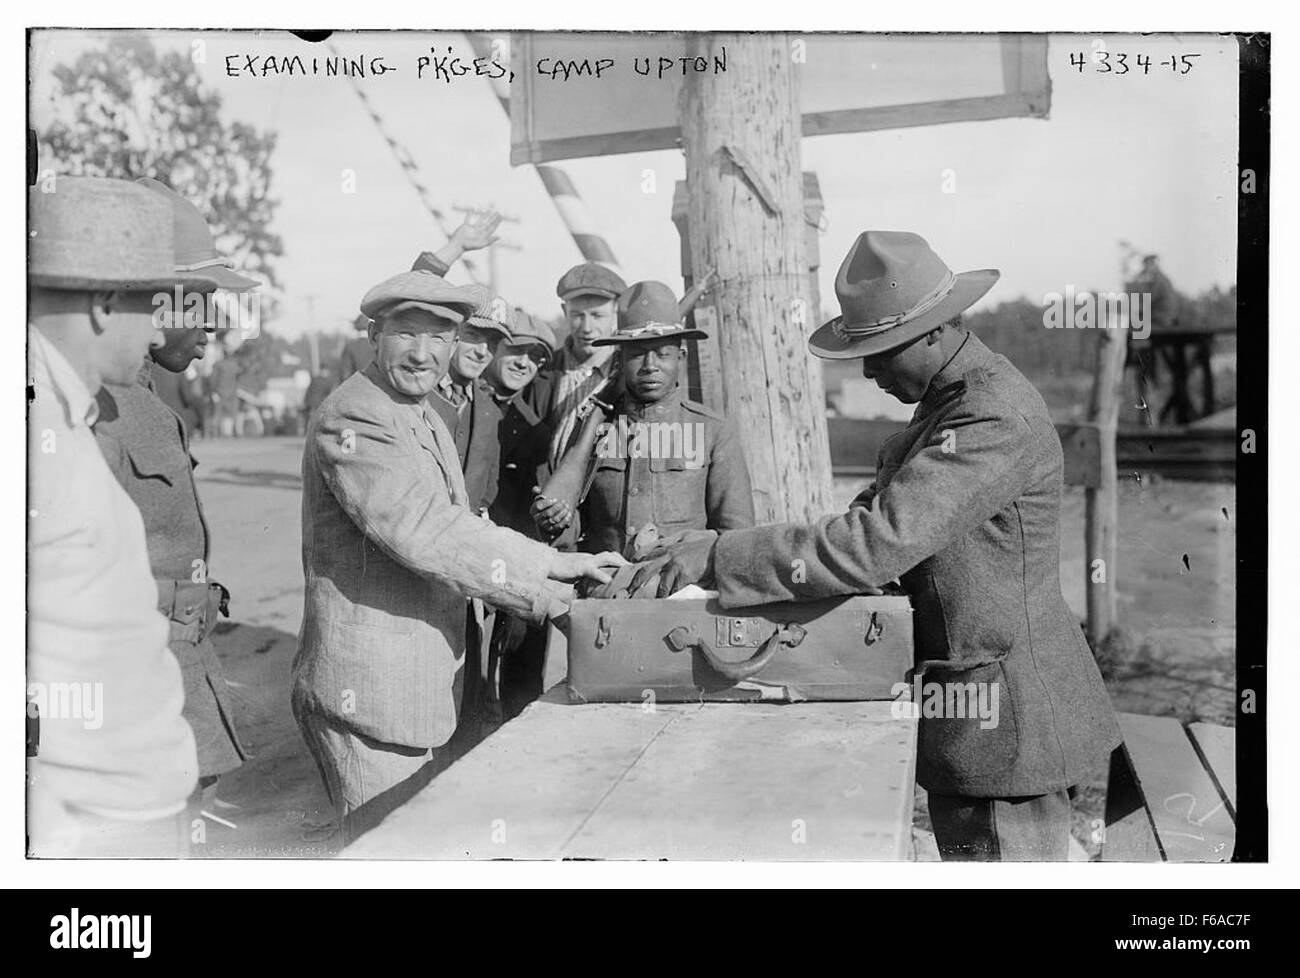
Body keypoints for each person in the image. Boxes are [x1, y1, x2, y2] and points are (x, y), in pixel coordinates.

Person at [638, 231, 1123, 861]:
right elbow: (871, 524)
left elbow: (873, 544)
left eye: (880, 351)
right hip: (980, 706)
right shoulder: (951, 402)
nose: (867, 369)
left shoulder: (989, 417)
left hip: (1008, 722)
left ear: (933, 331)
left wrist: (719, 555)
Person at [291, 269, 624, 843]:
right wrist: (551, 600)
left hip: (413, 691)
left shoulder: (415, 410)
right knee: (388, 857)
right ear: (374, 336)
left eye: (439, 338)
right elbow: (426, 531)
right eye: (406, 335)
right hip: (369, 699)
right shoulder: (356, 417)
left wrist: (561, 564)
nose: (424, 354)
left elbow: (465, 524)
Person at [28, 177, 209, 856]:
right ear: (105, 304)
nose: (160, 327)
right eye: (150, 305)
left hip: (121, 803)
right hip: (88, 825)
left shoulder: (63, 408)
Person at [92, 177, 260, 811]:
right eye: (201, 302)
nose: (212, 324)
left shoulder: (141, 401)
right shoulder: (95, 408)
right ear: (153, 307)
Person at [532, 281, 755, 565]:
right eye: (637, 354)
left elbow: (736, 535)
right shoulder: (594, 429)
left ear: (681, 357)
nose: (650, 365)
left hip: (686, 594)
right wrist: (552, 520)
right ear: (621, 361)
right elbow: (571, 532)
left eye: (663, 353)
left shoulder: (713, 431)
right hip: (607, 589)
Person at [523, 262, 627, 469]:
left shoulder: (628, 371)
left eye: (597, 315)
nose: (587, 328)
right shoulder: (542, 372)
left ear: (616, 311)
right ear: (564, 311)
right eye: (578, 315)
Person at [426, 283, 513, 516]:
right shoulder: (416, 394)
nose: (482, 351)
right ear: (448, 333)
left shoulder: (490, 410)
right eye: (473, 335)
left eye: (493, 342)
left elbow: (487, 489)